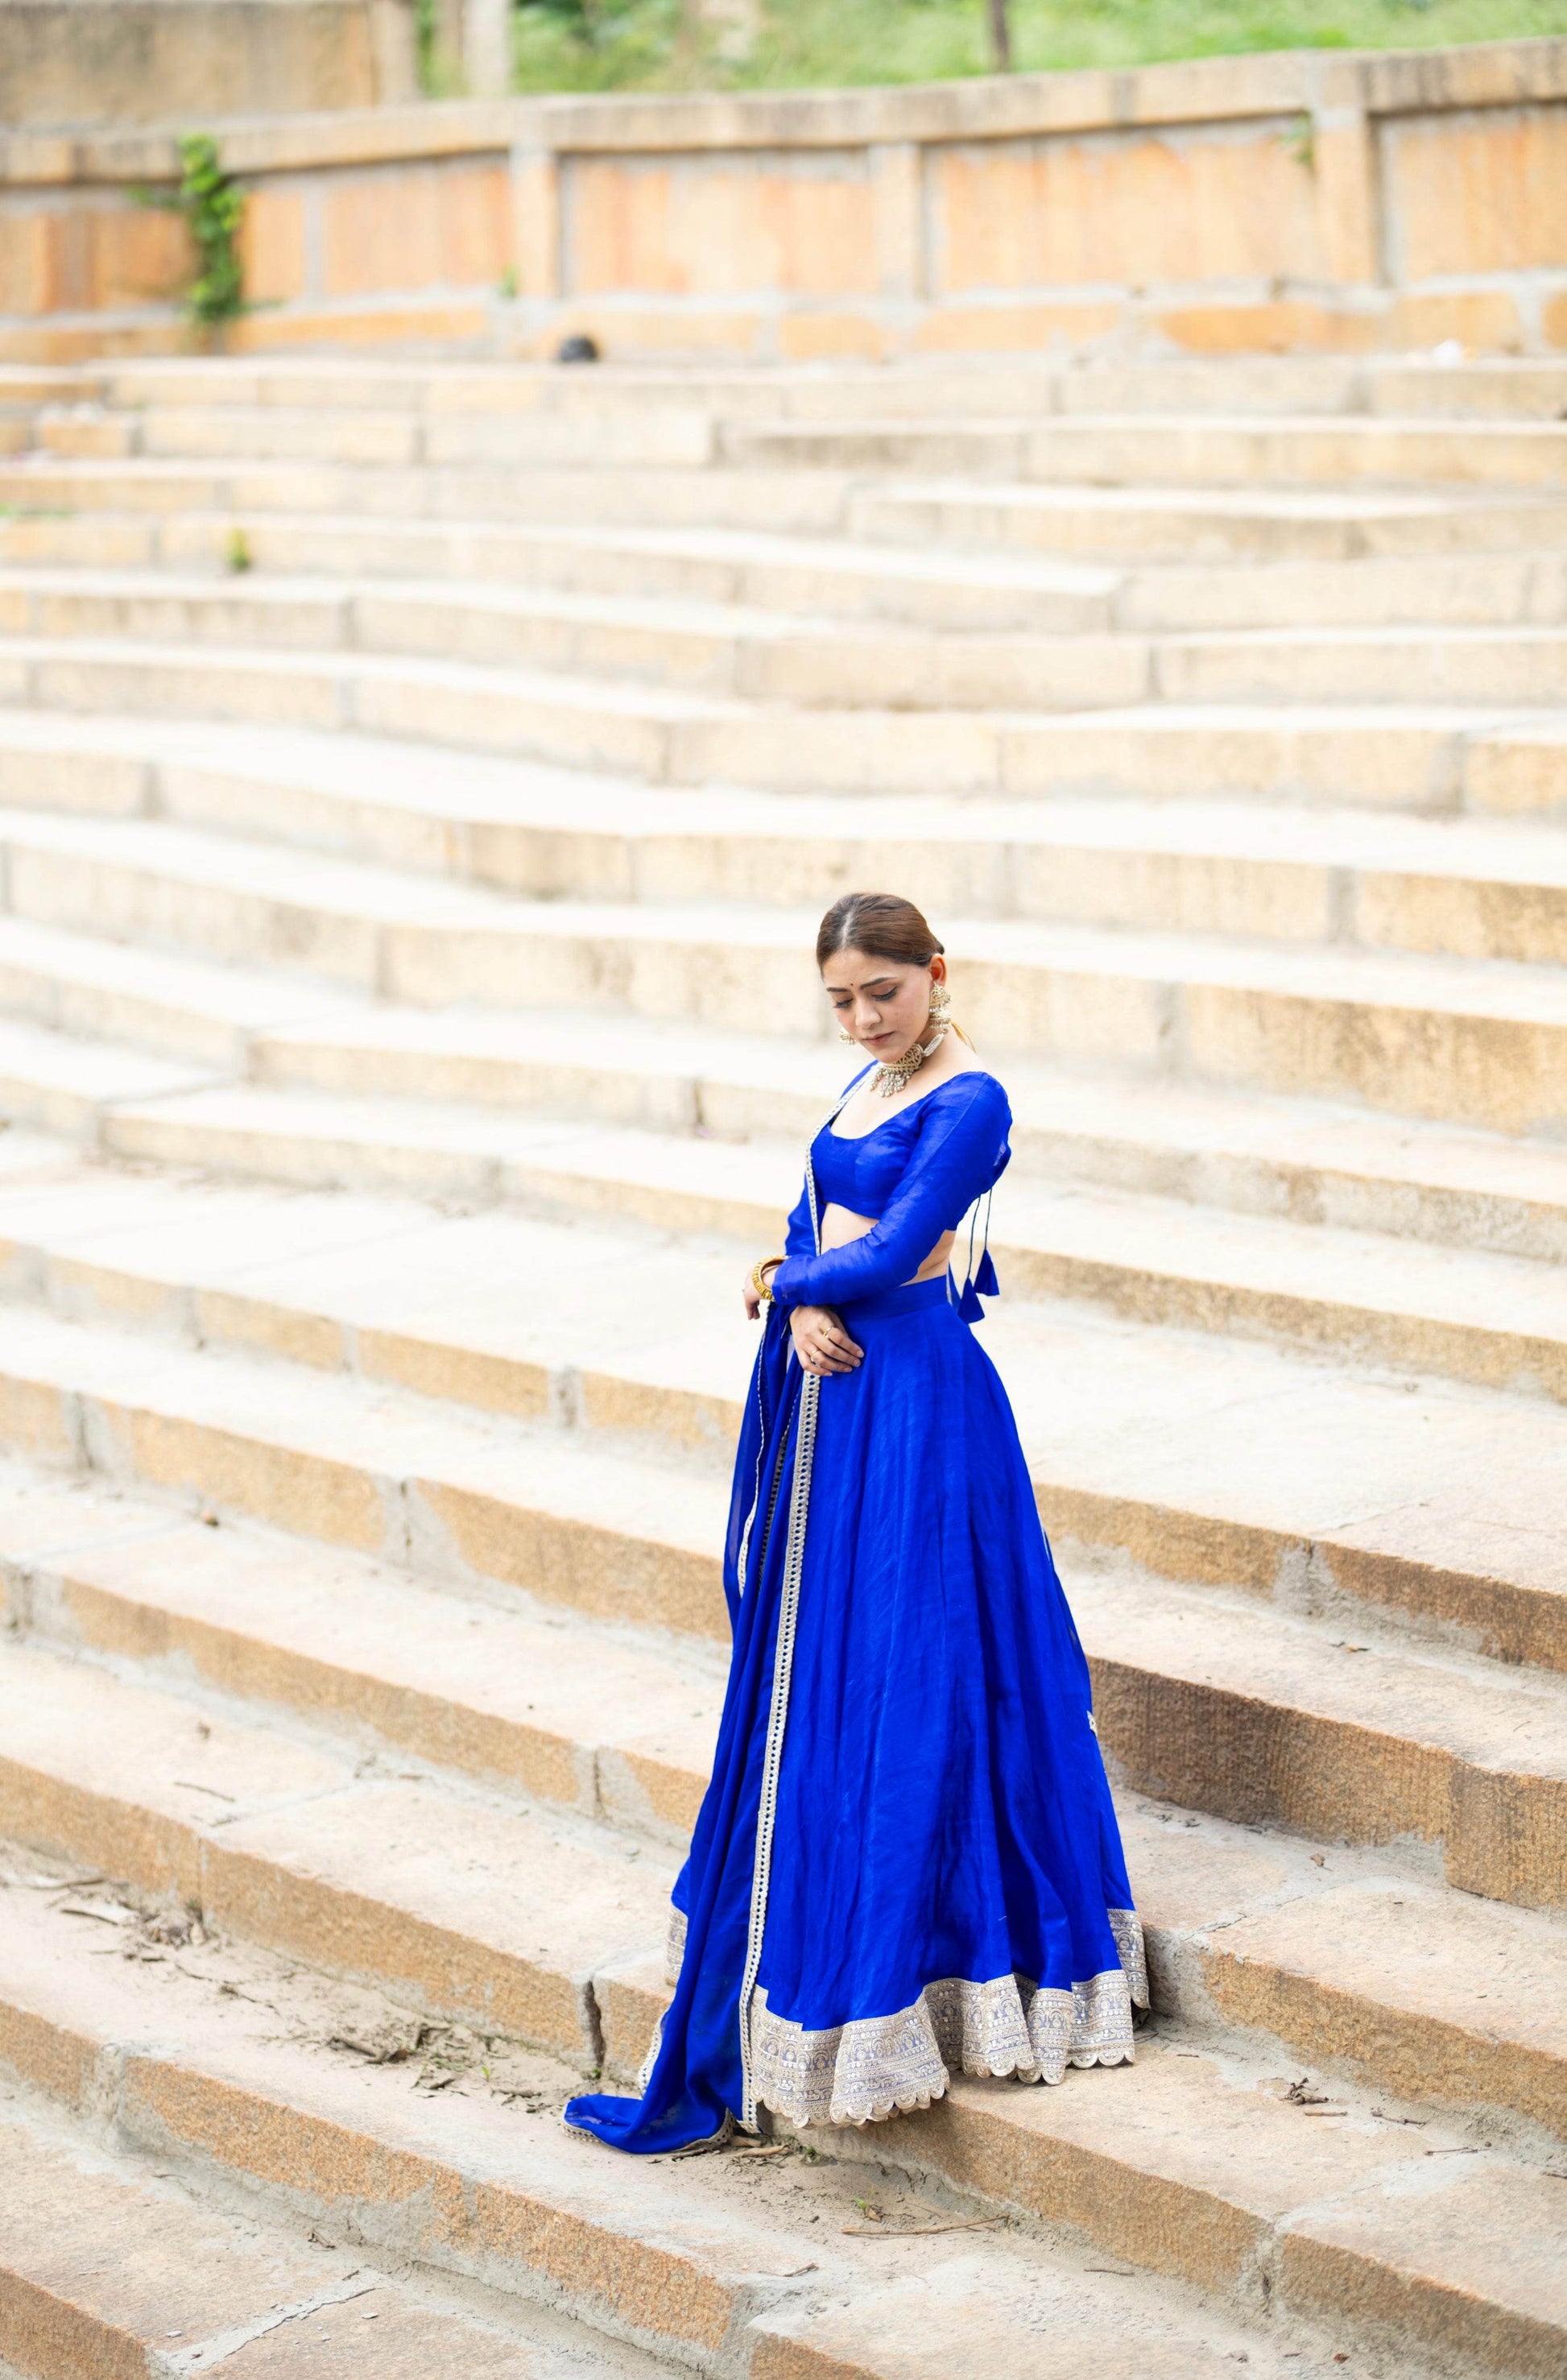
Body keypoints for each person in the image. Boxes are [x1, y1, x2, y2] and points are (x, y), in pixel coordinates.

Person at [565, 892, 1145, 2154]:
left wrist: (788, 1288)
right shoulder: (864, 1087)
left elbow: (893, 1250)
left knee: (925, 1657)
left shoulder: (969, 1097)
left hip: (919, 1404)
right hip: (838, 1399)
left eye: (881, 992)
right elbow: (816, 1209)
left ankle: (946, 1947)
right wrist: (798, 1290)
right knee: (827, 1666)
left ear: (937, 973)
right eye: (838, 999)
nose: (861, 1017)